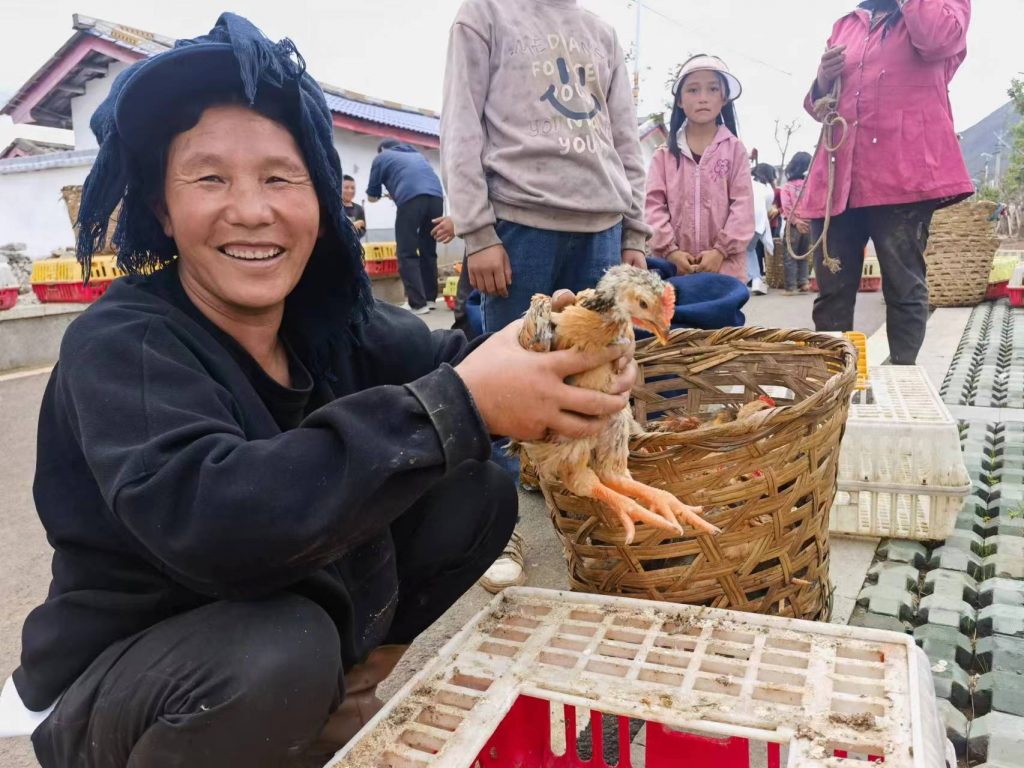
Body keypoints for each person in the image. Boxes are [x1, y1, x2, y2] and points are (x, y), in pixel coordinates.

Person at [0, 15, 640, 768]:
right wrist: (460, 403)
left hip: (275, 615)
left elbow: (455, 358)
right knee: (282, 653)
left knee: (473, 492)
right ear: (163, 210)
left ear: (319, 198)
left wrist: (562, 349)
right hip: (136, 673)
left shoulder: (329, 318)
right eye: (210, 179)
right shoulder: (123, 343)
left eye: (280, 177)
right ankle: (245, 722)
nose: (252, 209)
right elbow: (216, 521)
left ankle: (338, 707)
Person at [440, 0, 651, 591]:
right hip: (519, 224)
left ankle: (591, 508)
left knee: (601, 378)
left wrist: (634, 232)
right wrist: (477, 232)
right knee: (507, 379)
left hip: (603, 227)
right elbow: (460, 124)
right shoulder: (484, 14)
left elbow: (625, 139)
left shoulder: (602, 34)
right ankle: (496, 521)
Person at [800, 0, 973, 364]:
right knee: (831, 291)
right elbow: (820, 103)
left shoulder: (943, 7)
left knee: (903, 284)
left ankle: (902, 375)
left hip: (902, 175)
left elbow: (937, 39)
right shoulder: (847, 22)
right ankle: (838, 383)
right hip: (838, 177)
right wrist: (823, 78)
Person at [645, 54, 755, 284]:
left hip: (725, 270)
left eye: (712, 89)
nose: (703, 98)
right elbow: (653, 208)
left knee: (722, 321)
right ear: (679, 101)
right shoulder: (664, 155)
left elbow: (743, 208)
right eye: (693, 90)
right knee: (675, 320)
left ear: (724, 97)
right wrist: (670, 252)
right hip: (673, 272)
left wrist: (720, 252)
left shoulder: (735, 151)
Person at [366, 139, 445, 315]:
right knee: (428, 250)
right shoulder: (417, 155)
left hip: (410, 199)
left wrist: (391, 193)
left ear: (383, 149)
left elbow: (372, 197)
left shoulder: (382, 157)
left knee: (406, 251)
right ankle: (430, 299)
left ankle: (417, 304)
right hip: (437, 198)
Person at [781, 151, 813, 294]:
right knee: (803, 254)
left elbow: (786, 207)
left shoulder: (787, 187)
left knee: (790, 255)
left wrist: (795, 221)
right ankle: (804, 282)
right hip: (809, 223)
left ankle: (791, 286)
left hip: (794, 226)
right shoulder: (811, 185)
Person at [749, 163, 776, 295]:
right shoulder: (767, 187)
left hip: (741, 220)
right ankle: (756, 280)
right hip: (758, 224)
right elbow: (768, 208)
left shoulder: (745, 179)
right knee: (749, 249)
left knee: (746, 251)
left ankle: (754, 279)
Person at [341, 174, 366, 240]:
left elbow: (363, 229)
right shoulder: (336, 208)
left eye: (353, 188)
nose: (350, 191)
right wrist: (354, 225)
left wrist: (356, 231)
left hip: (354, 246)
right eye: (346, 187)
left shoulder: (359, 209)